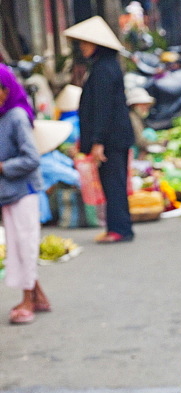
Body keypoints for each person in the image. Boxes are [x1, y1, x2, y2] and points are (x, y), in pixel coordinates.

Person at [63, 16, 135, 244]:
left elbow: (103, 109)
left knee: (113, 183)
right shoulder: (104, 66)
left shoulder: (104, 69)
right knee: (113, 182)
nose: (82, 47)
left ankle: (120, 229)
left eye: (85, 43)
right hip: (114, 137)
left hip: (111, 138)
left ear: (97, 44)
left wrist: (97, 141)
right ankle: (118, 227)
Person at [0, 65, 50, 324]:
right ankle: (39, 296)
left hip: (24, 190)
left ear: (6, 90)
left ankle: (28, 301)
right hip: (8, 192)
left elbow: (32, 158)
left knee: (25, 245)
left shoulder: (17, 116)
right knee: (18, 246)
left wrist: (3, 167)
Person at [126, 87, 156, 156]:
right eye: (142, 104)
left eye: (146, 105)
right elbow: (140, 142)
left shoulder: (138, 118)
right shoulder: (132, 118)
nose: (145, 107)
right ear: (134, 105)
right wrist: (161, 144)